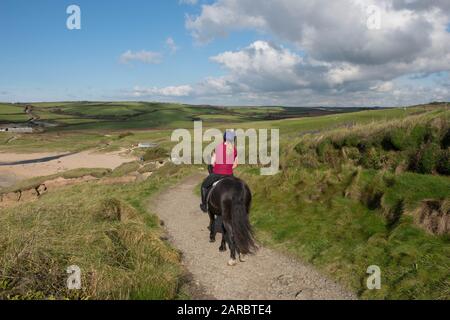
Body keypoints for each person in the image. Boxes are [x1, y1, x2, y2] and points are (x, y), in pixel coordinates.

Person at [200, 130, 238, 212]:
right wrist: (228, 167)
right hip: (229, 175)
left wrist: (218, 166)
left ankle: (204, 205)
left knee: (204, 185)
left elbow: (213, 163)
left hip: (217, 173)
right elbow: (235, 165)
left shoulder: (218, 147)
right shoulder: (234, 150)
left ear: (224, 138)